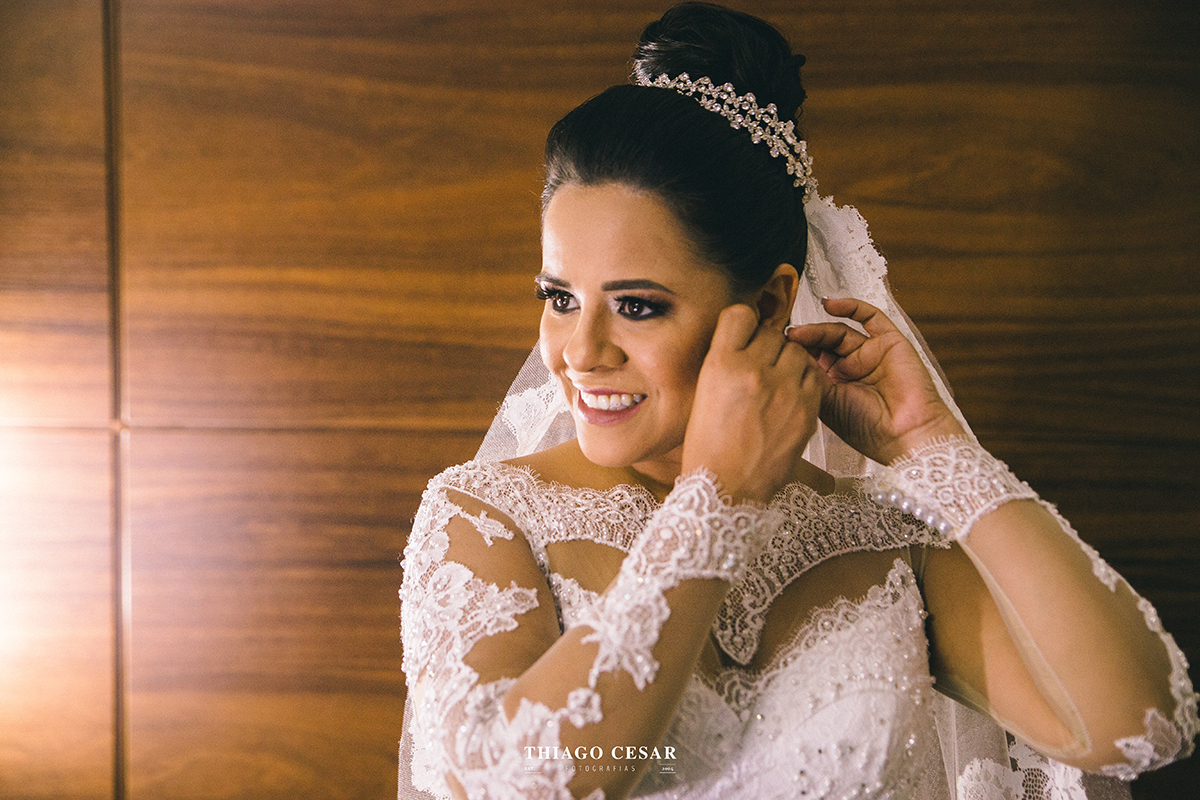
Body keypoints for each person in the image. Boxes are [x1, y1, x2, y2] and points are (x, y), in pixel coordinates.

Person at [398, 4, 1198, 798]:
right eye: (560, 298)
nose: (580, 351)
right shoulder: (487, 519)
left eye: (637, 305)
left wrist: (933, 446)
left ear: (771, 304)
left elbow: (1143, 724)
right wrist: (717, 502)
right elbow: (510, 786)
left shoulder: (882, 540)